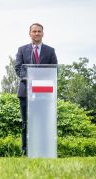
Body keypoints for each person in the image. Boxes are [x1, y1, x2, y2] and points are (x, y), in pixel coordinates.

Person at [14, 23, 58, 155]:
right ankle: (25, 151)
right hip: (25, 92)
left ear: (43, 34)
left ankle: (44, 150)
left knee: (44, 123)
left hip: (44, 92)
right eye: (34, 31)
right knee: (26, 123)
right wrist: (32, 79)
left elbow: (55, 70)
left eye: (39, 31)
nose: (37, 33)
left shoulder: (50, 51)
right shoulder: (22, 50)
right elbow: (18, 68)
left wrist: (40, 80)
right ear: (30, 34)